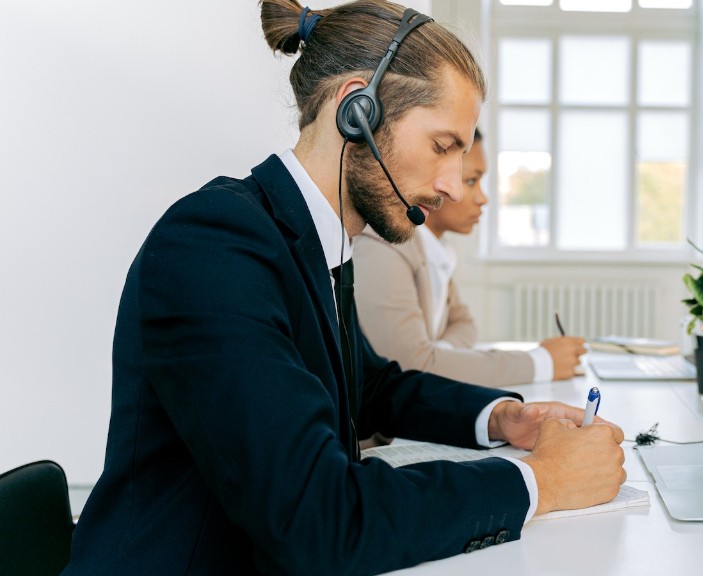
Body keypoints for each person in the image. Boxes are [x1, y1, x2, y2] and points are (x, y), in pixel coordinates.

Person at [61, 2, 625, 575]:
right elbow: (316, 518)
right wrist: (542, 479)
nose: (453, 186)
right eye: (441, 146)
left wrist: (502, 417)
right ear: (357, 108)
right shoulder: (215, 246)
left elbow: (373, 385)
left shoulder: (315, 242)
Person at [353, 130, 587, 386]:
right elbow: (412, 367)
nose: (483, 198)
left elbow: (464, 324)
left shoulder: (434, 249)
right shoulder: (382, 246)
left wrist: (437, 354)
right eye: (472, 181)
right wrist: (541, 363)